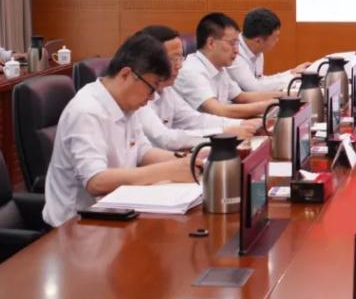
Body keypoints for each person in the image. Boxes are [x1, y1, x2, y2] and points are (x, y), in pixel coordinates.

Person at [42, 33, 197, 227]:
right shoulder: (87, 111)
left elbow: (142, 151)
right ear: (126, 75)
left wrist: (186, 161)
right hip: (75, 226)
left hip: (116, 212)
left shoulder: (126, 104)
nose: (152, 98)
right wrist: (167, 171)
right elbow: (96, 181)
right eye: (151, 88)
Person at [136, 25, 257, 150]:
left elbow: (194, 120)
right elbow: (165, 138)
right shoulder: (137, 95)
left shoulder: (166, 89)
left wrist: (241, 124)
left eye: (180, 58)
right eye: (173, 59)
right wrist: (222, 133)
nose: (179, 66)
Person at [174, 12, 278, 118]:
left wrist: (283, 96)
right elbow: (220, 111)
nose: (237, 50)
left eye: (237, 43)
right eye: (232, 43)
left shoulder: (219, 68)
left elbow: (242, 97)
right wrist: (272, 105)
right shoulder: (191, 71)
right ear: (211, 43)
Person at [228, 7, 310, 92]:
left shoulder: (257, 49)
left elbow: (260, 80)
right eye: (275, 37)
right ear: (258, 41)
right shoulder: (234, 53)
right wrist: (292, 78)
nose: (277, 40)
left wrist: (291, 72)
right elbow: (255, 88)